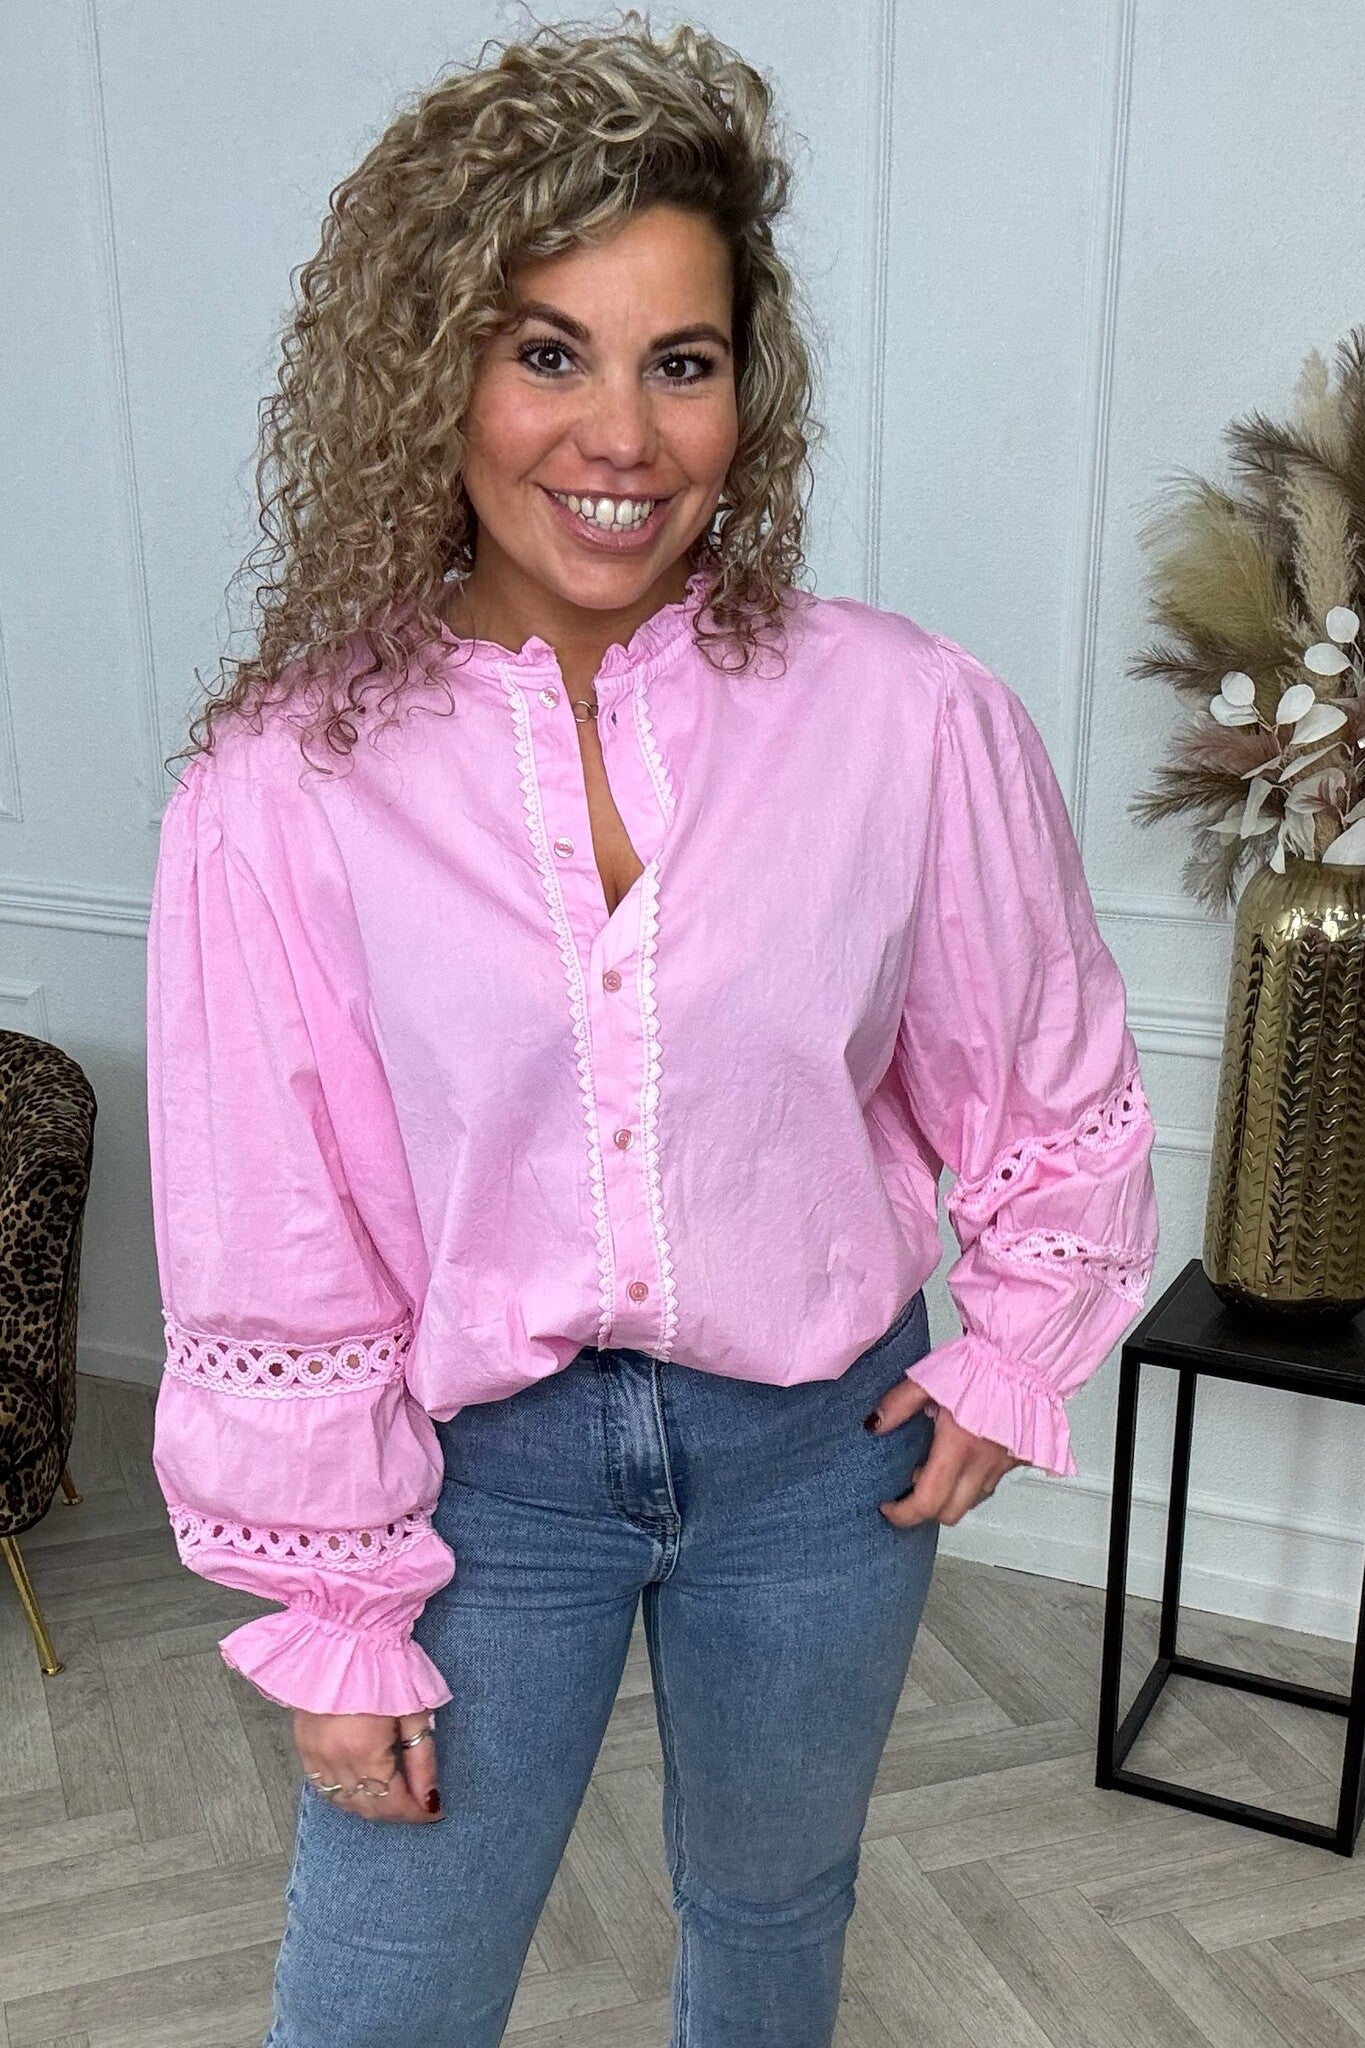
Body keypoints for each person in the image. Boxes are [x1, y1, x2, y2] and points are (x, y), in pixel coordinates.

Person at [145, 13, 1161, 2047]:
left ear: (742, 397)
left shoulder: (901, 717)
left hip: (819, 1462)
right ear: (430, 370)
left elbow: (1039, 1069)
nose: (619, 435)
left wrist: (1010, 1344)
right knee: (385, 1994)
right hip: (474, 1485)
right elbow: (279, 1229)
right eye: (549, 351)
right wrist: (339, 1598)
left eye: (678, 363)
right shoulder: (285, 786)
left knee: (774, 1919)